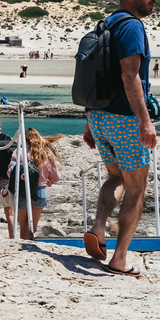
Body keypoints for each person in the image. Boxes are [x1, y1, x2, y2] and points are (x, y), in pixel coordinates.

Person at [83, 0, 157, 277]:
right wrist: (145, 120)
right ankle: (119, 259)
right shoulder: (132, 25)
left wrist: (91, 120)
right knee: (137, 189)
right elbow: (129, 75)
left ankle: (98, 227)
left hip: (100, 115)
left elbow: (96, 75)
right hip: (125, 119)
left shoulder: (107, 23)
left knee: (116, 177)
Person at [7, 128, 62, 240]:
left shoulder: (18, 152)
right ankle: (33, 249)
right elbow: (56, 177)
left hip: (22, 191)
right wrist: (46, 179)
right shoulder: (44, 154)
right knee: (33, 228)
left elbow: (9, 173)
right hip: (39, 191)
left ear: (25, 139)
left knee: (23, 228)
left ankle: (24, 253)